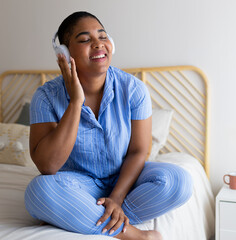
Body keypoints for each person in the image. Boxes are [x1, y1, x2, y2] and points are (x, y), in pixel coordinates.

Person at [24, 11, 192, 240]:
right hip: (78, 185)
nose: (97, 44)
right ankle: (135, 235)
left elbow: (138, 151)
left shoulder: (133, 89)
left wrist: (117, 198)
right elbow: (48, 167)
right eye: (84, 40)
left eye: (102, 37)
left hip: (126, 180)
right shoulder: (45, 97)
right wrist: (75, 102)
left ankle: (85, 217)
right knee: (39, 192)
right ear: (63, 54)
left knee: (179, 181)